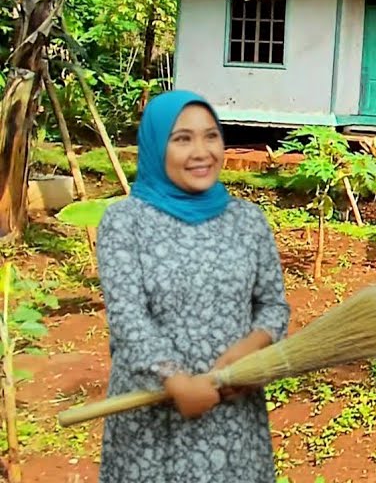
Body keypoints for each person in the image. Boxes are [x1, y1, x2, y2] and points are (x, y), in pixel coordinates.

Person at [96, 90, 290, 483]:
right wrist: (176, 381)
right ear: (156, 147)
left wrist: (250, 352)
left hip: (234, 418)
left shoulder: (248, 221)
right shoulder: (124, 223)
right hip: (152, 421)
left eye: (211, 136)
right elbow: (128, 317)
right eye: (182, 139)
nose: (201, 152)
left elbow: (273, 305)